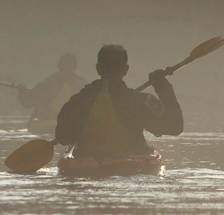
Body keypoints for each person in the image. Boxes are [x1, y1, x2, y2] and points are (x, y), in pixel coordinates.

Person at [53, 44, 183, 158]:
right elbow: (175, 127)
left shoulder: (78, 101)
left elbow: (63, 137)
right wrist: (163, 87)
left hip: (85, 160)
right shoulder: (138, 101)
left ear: (98, 69)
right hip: (128, 165)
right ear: (125, 70)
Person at [18, 53, 86, 132]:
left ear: (59, 65)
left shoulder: (49, 83)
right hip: (71, 125)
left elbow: (27, 103)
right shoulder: (82, 84)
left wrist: (22, 91)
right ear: (75, 67)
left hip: (49, 124)